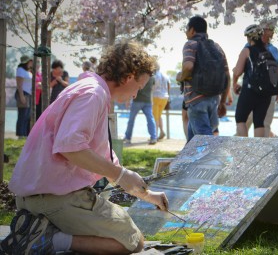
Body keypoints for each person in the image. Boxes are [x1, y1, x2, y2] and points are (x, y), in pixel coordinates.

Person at [4, 40, 169, 254]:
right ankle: (46, 240)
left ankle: (41, 228)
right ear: (129, 76)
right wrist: (121, 174)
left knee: (128, 235)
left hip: (39, 196)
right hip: (54, 198)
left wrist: (148, 195)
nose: (136, 94)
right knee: (132, 241)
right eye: (139, 87)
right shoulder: (93, 95)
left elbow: (104, 162)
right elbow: (70, 147)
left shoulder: (87, 88)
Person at [177, 16, 230, 142]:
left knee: (205, 142)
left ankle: (215, 161)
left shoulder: (190, 44)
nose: (186, 32)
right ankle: (189, 161)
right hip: (214, 99)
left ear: (192, 30)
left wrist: (180, 77)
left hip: (196, 100)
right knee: (192, 142)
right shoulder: (217, 47)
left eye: (186, 29)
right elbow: (227, 76)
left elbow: (188, 66)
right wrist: (223, 101)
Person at [233, 25, 278, 137]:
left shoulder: (247, 50)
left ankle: (244, 149)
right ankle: (257, 152)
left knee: (240, 119)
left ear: (249, 38)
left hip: (249, 91)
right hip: (266, 93)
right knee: (259, 122)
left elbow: (238, 72)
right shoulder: (268, 53)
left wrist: (235, 78)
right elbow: (277, 74)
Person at [124, 77, 157, 145]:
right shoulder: (152, 77)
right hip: (148, 101)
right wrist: (152, 101)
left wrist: (128, 100)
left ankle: (128, 138)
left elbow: (133, 88)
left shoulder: (139, 75)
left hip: (137, 100)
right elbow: (152, 90)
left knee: (131, 120)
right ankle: (153, 137)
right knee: (150, 119)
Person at [15, 55, 33, 138]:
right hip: (23, 93)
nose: (31, 63)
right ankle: (20, 134)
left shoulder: (28, 71)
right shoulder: (20, 70)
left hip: (28, 94)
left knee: (27, 115)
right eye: (30, 61)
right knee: (22, 114)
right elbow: (19, 84)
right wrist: (21, 96)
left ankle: (24, 133)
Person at [152, 62, 170, 140]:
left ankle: (154, 135)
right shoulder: (165, 75)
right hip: (165, 97)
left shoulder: (154, 76)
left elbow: (152, 87)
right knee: (158, 115)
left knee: (155, 117)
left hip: (156, 96)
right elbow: (169, 85)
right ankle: (161, 132)